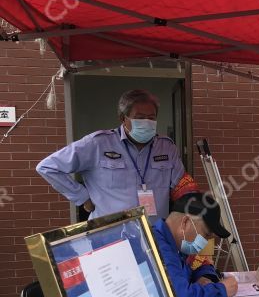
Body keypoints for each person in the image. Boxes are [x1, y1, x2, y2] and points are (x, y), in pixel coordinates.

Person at [37, 89, 185, 220]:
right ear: (123, 118)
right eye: (139, 117)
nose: (146, 122)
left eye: (151, 118)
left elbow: (181, 185)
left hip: (155, 234)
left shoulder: (166, 147)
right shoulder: (98, 144)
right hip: (112, 236)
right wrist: (82, 197)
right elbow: (48, 167)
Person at [152, 191, 237, 297]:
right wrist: (221, 290)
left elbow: (200, 264)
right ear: (185, 223)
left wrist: (205, 277)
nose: (206, 242)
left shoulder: (178, 243)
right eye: (206, 235)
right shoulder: (158, 247)